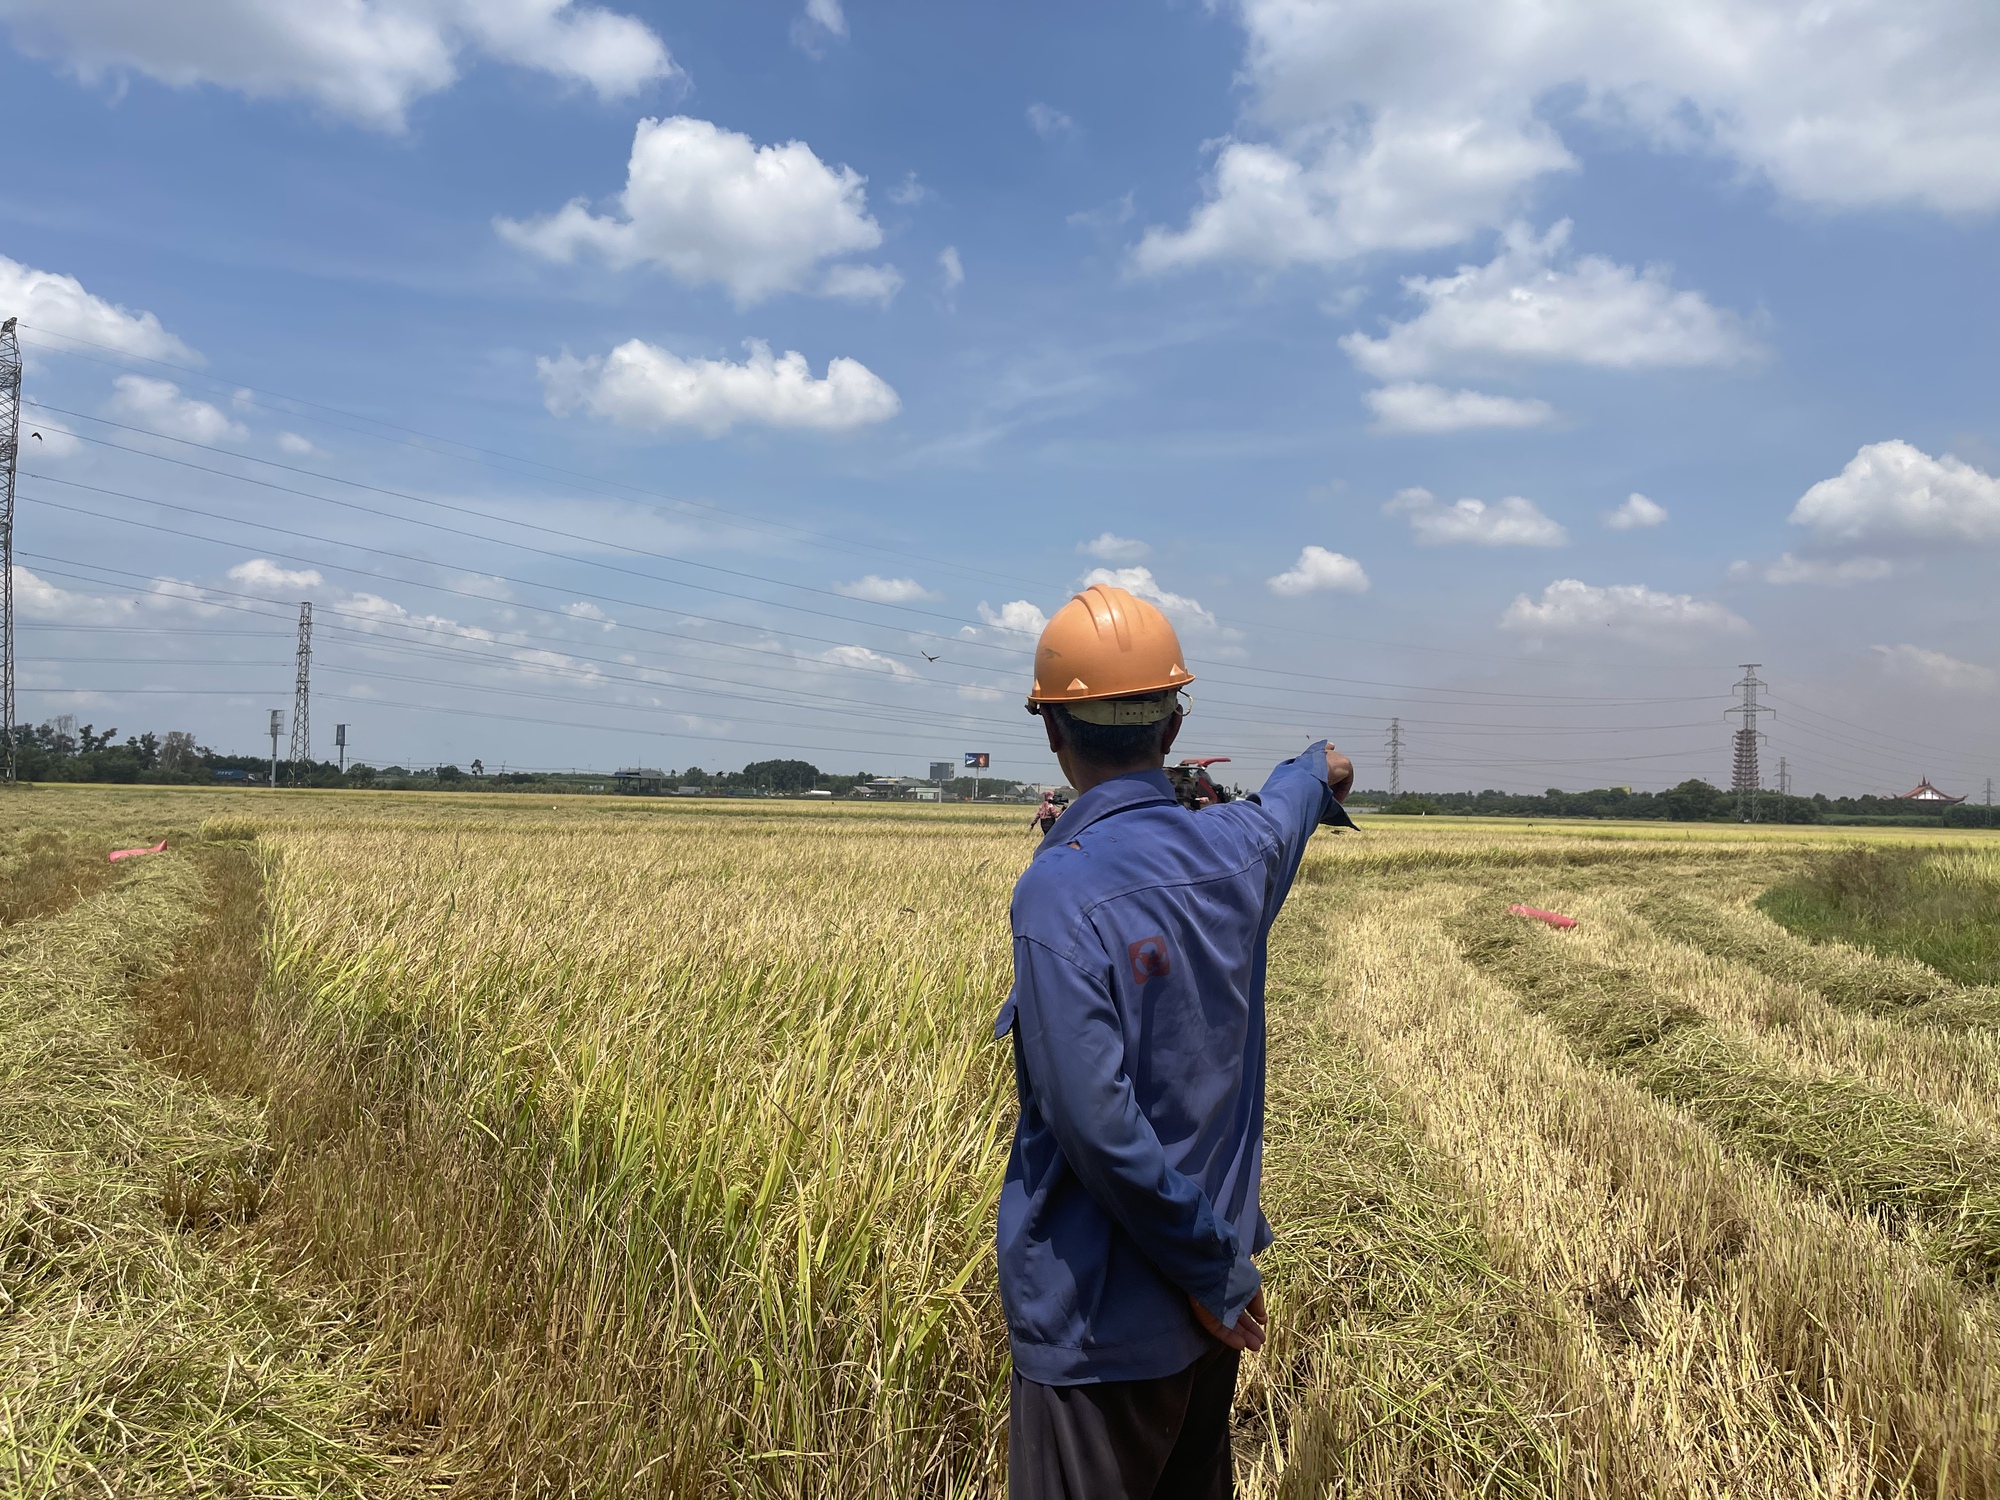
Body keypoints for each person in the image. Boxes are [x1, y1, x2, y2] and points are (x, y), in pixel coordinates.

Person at [995, 583, 1355, 1500]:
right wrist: (1322, 765)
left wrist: (1206, 1272)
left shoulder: (1058, 894)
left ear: (1051, 732)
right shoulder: (1240, 851)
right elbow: (1300, 787)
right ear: (1172, 727)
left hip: (1100, 1328)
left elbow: (1096, 1124)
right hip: (1213, 1321)